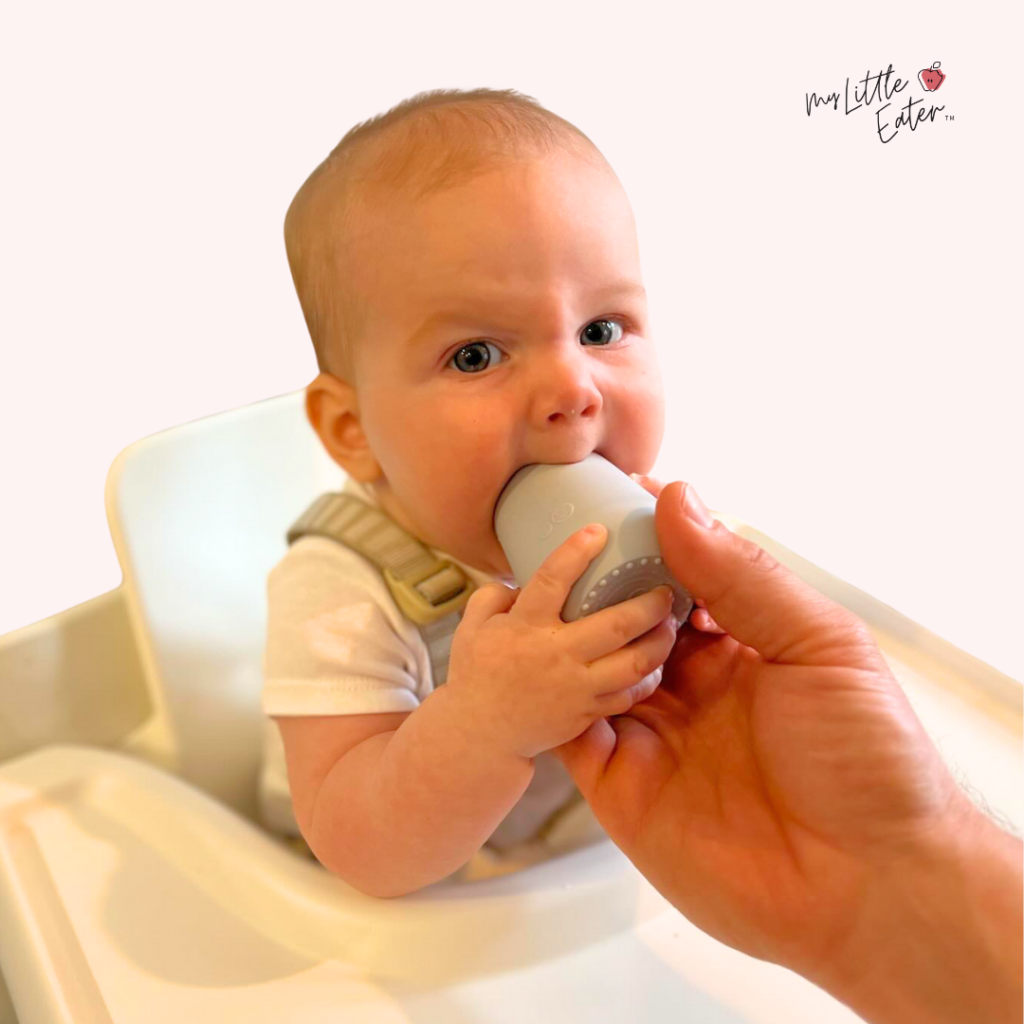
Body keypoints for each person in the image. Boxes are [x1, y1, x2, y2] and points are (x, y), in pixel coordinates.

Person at [260, 86, 714, 888]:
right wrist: (484, 726)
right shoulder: (342, 589)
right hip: (400, 907)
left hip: (568, 872)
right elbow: (356, 844)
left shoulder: (643, 524)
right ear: (354, 429)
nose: (574, 390)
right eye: (476, 355)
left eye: (600, 330)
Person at [552, 471, 1024, 1024]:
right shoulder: (429, 625)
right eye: (470, 374)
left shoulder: (710, 612)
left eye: (612, 373)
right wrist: (484, 715)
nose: (577, 388)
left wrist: (885, 860)